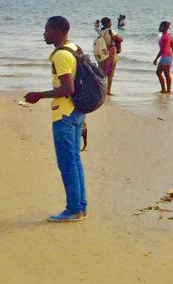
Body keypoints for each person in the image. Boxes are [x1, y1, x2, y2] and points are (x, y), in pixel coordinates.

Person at [22, 16, 88, 222]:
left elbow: (68, 89)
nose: (44, 33)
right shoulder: (74, 47)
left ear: (58, 31)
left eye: (47, 30)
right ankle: (81, 207)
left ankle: (73, 210)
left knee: (67, 163)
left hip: (65, 114)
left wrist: (39, 95)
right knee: (75, 161)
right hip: (78, 111)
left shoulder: (61, 55)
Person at [96, 17, 121, 96]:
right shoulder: (110, 31)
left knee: (102, 71)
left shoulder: (101, 31)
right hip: (111, 51)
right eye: (110, 22)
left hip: (102, 51)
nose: (111, 23)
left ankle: (101, 89)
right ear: (108, 23)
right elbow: (120, 38)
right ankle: (108, 91)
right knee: (110, 72)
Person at [153, 21, 173, 94]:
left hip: (166, 57)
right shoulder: (166, 35)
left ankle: (168, 90)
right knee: (158, 73)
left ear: (165, 28)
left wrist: (156, 59)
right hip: (165, 57)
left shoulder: (166, 37)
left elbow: (163, 50)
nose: (159, 27)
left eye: (161, 26)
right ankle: (164, 89)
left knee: (166, 74)